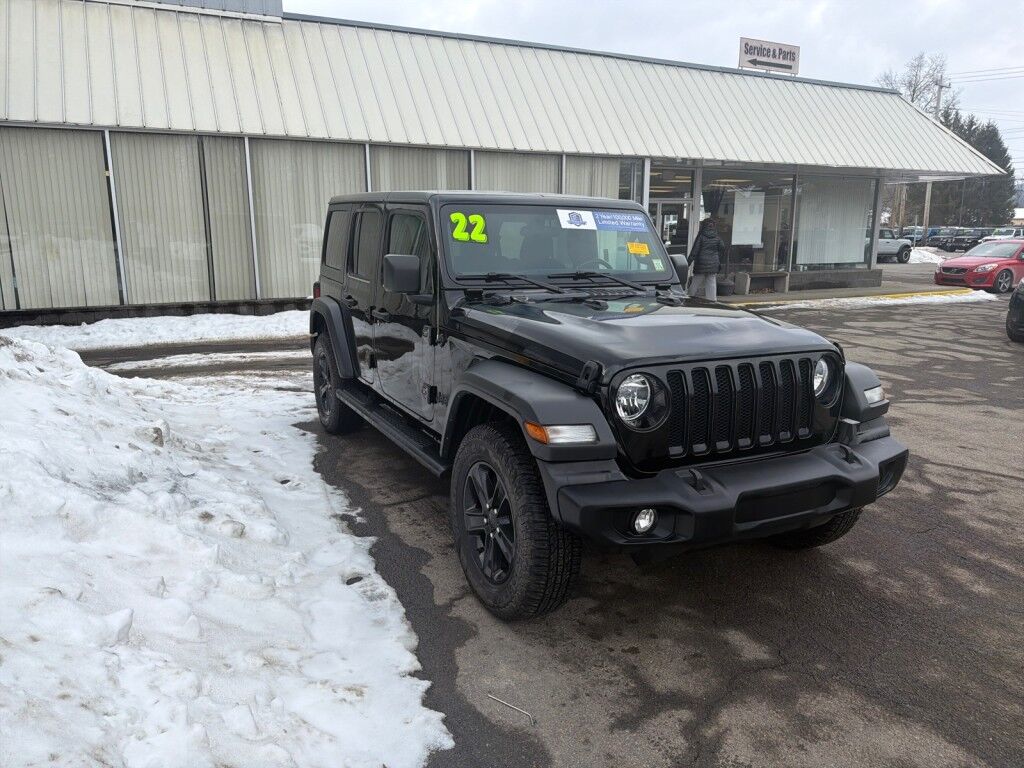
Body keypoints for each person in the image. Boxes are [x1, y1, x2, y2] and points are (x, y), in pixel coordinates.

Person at [688, 218, 724, 300]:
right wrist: (717, 257)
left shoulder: (701, 236)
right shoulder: (717, 237)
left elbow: (694, 251)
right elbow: (722, 247)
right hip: (714, 264)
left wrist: (688, 263)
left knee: (695, 282)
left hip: (701, 264)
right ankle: (712, 301)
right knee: (711, 283)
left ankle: (689, 297)